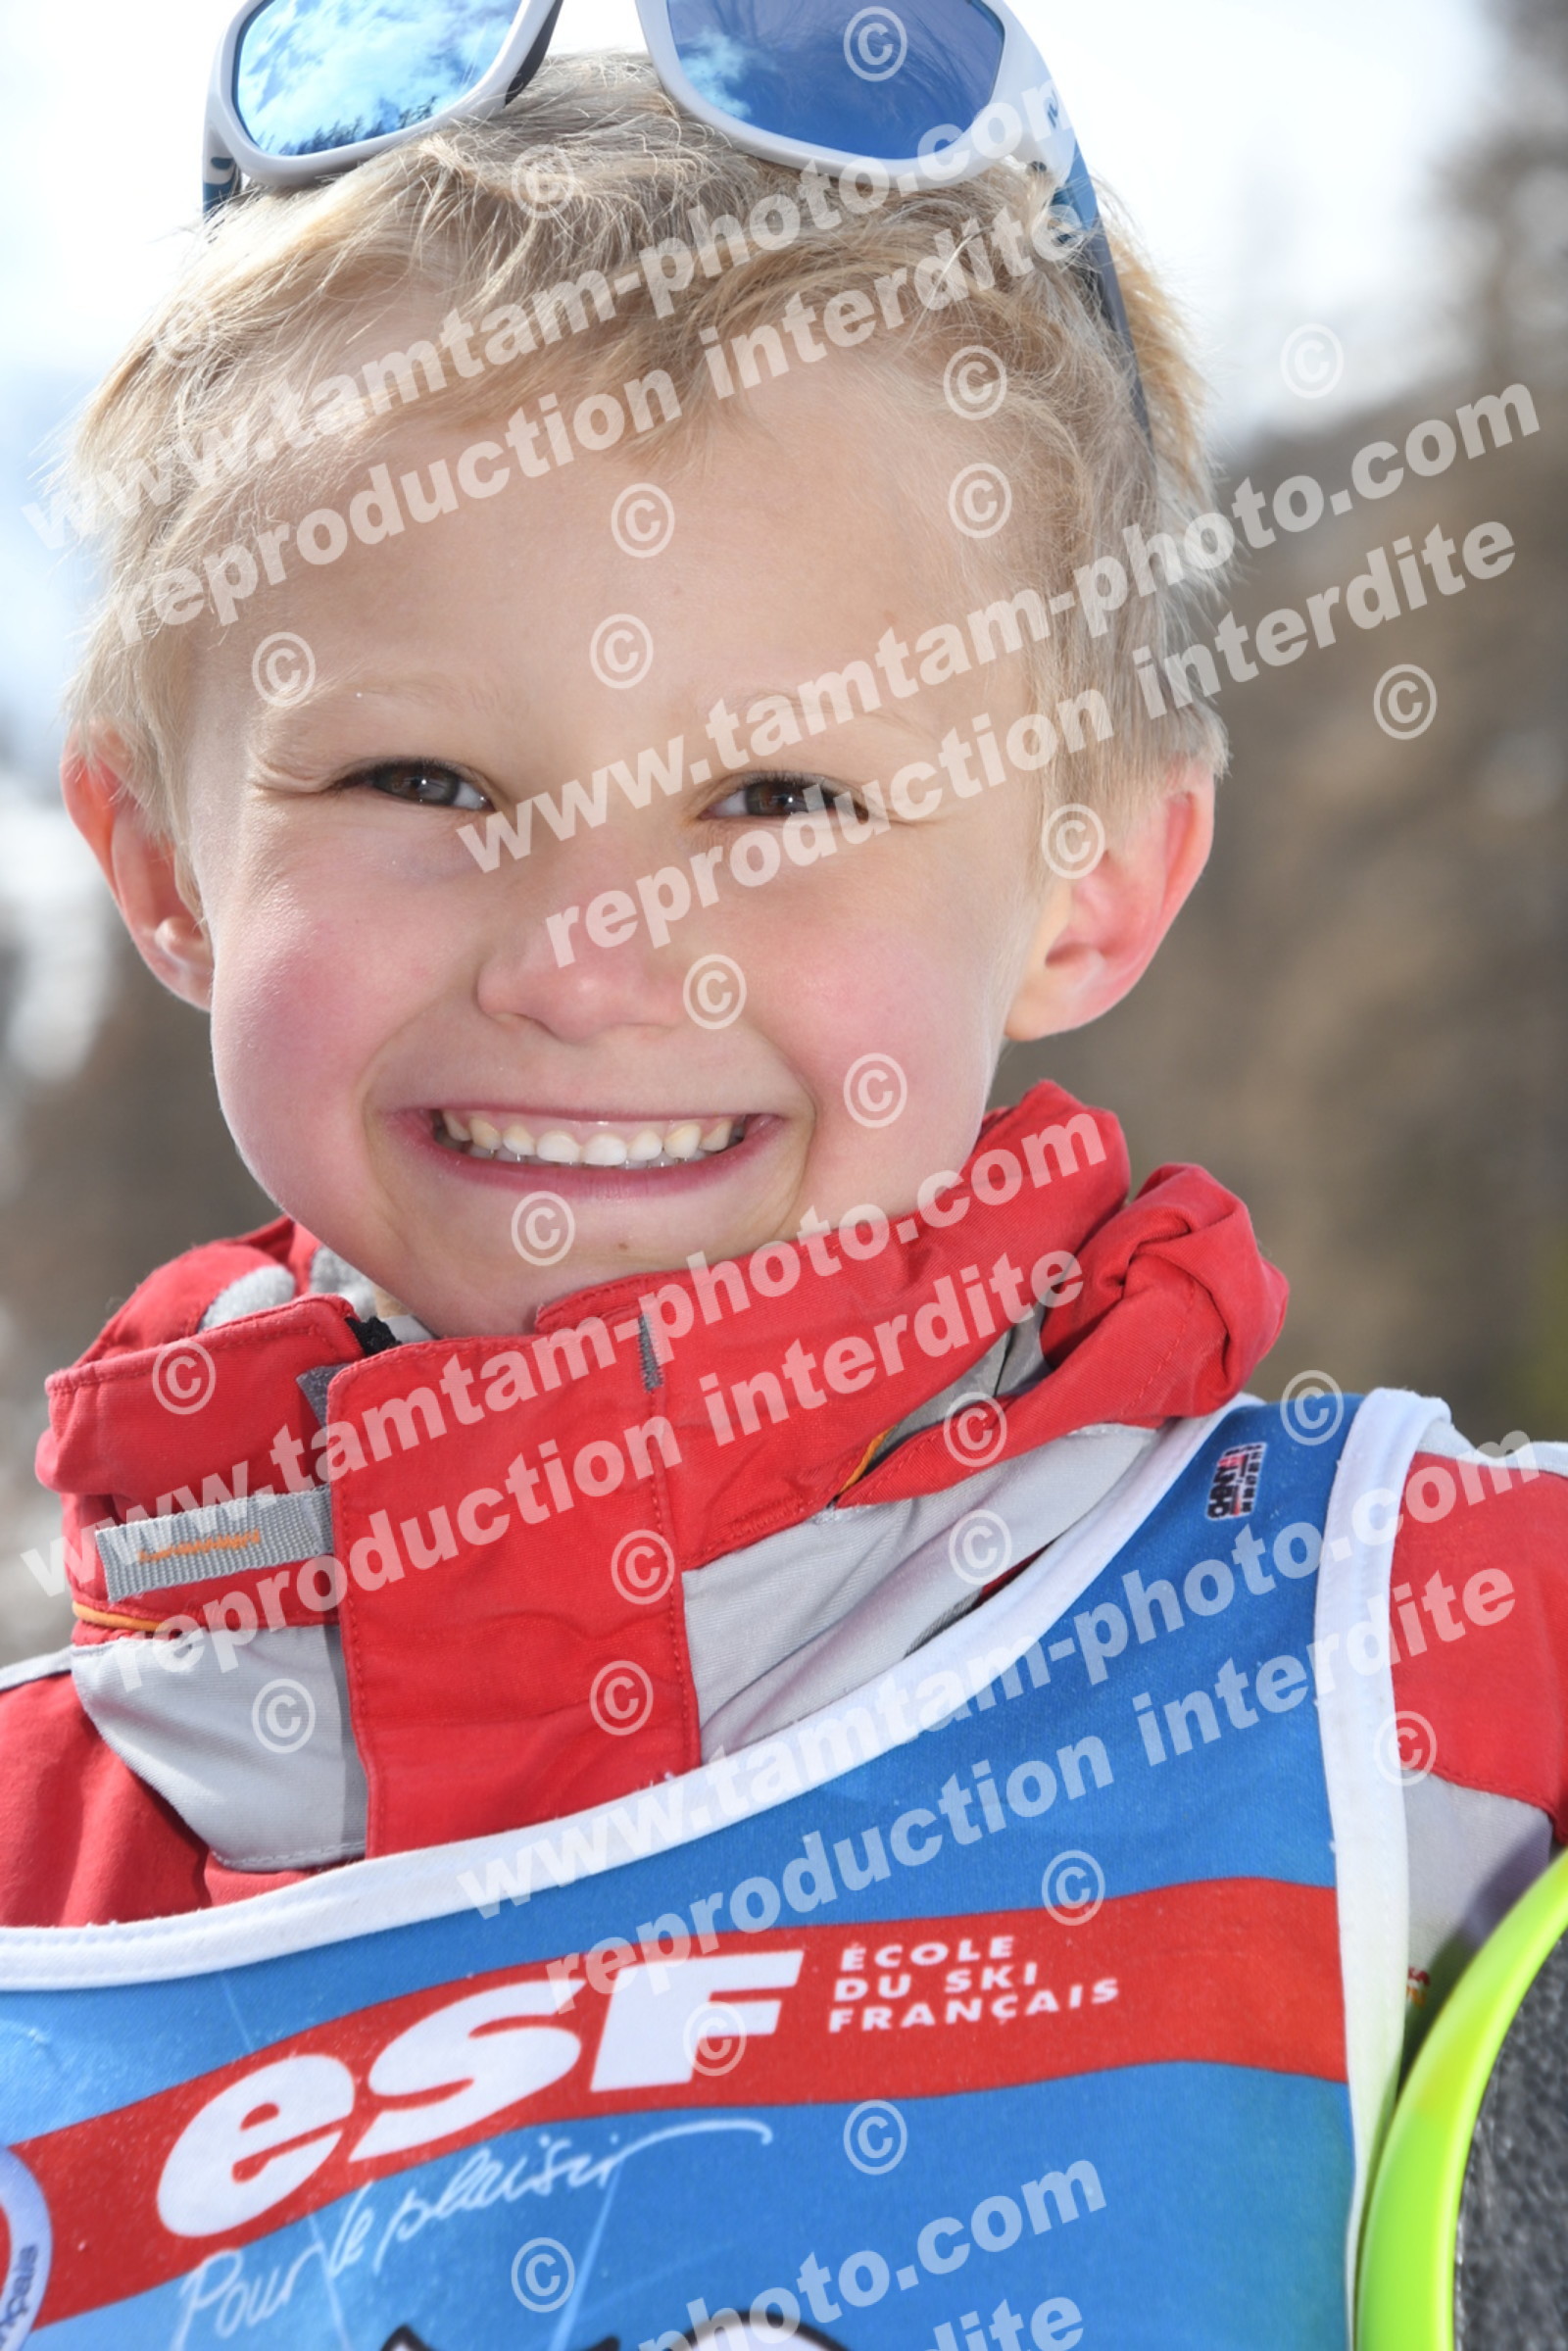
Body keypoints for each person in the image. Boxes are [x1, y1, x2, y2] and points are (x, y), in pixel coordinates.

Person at [0, 24, 1562, 2350]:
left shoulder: (1443, 1672)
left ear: (1088, 884)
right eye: (421, 779)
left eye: (778, 801)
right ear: (159, 859)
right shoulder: (35, 1892)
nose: (583, 959)